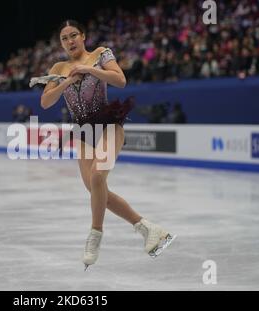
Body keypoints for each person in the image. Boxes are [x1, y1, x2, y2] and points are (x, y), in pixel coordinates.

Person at [30, 20, 175, 270]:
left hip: (108, 123)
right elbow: (45, 102)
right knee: (97, 192)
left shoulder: (100, 54)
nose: (70, 41)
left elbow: (120, 80)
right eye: (65, 38)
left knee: (98, 178)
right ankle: (149, 229)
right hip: (84, 132)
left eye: (74, 35)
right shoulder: (59, 67)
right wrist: (66, 80)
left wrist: (90, 71)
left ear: (83, 36)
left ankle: (95, 235)